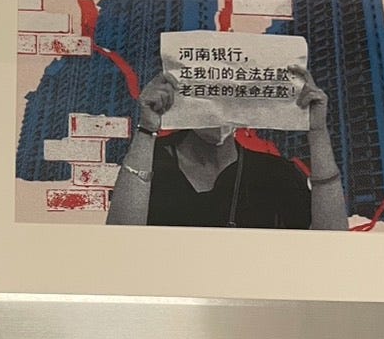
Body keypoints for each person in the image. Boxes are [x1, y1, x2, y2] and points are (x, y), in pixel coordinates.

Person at [106, 65, 347, 231]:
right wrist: (147, 129)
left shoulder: (274, 173)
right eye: (207, 94)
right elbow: (120, 238)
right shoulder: (150, 160)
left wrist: (318, 131)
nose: (218, 110)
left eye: (229, 96)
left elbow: (331, 241)